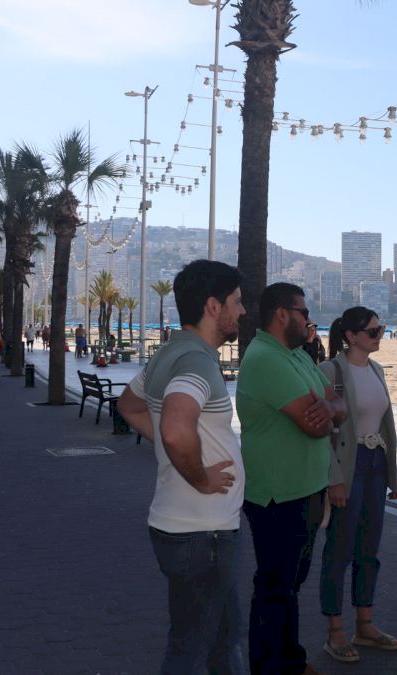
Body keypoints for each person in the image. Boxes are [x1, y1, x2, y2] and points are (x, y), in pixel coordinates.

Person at [115, 259, 248, 675]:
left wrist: (179, 451)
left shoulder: (169, 353)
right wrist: (199, 474)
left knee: (222, 637)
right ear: (213, 306)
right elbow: (174, 428)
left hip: (185, 527)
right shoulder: (198, 362)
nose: (243, 311)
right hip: (202, 533)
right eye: (237, 302)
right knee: (191, 648)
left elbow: (129, 406)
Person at [237, 283, 344, 675]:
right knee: (275, 587)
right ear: (282, 314)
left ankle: (290, 661)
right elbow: (315, 425)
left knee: (289, 585)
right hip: (277, 496)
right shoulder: (266, 358)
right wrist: (329, 414)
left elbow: (337, 402)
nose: (308, 319)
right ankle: (269, 667)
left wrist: (329, 408)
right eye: (304, 312)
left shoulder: (296, 354)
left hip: (306, 489)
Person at [317, 307, 397, 663]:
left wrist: (392, 471)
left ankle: (365, 624)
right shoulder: (330, 371)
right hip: (348, 466)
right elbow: (323, 433)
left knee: (369, 548)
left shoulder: (376, 369)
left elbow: (385, 426)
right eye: (372, 331)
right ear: (351, 336)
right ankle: (335, 630)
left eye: (381, 330)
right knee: (339, 550)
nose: (379, 336)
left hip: (375, 464)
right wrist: (333, 479)